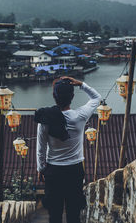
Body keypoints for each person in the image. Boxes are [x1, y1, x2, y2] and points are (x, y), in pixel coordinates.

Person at [35, 76, 101, 223]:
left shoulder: (45, 119)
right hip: (74, 170)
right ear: (72, 96)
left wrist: (41, 168)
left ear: (54, 96)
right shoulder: (80, 116)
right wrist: (81, 84)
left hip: (53, 171)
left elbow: (41, 147)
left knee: (55, 214)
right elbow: (97, 98)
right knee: (73, 213)